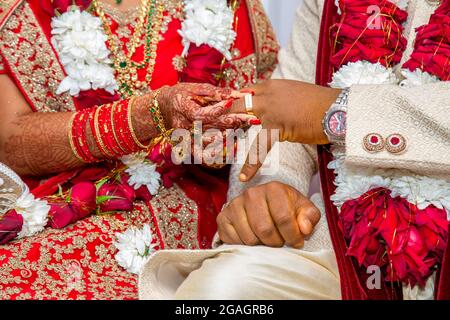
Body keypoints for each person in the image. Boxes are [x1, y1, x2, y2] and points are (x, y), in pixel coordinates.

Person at [139, 0, 450, 300]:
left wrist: (339, 113)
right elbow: (281, 110)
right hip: (344, 244)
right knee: (222, 287)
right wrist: (274, 189)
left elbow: (313, 109)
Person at [0, 0, 278, 299]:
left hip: (204, 212)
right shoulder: (18, 8)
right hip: (69, 207)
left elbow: (270, 120)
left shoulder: (231, 6)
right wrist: (149, 116)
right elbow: (11, 144)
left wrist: (224, 144)